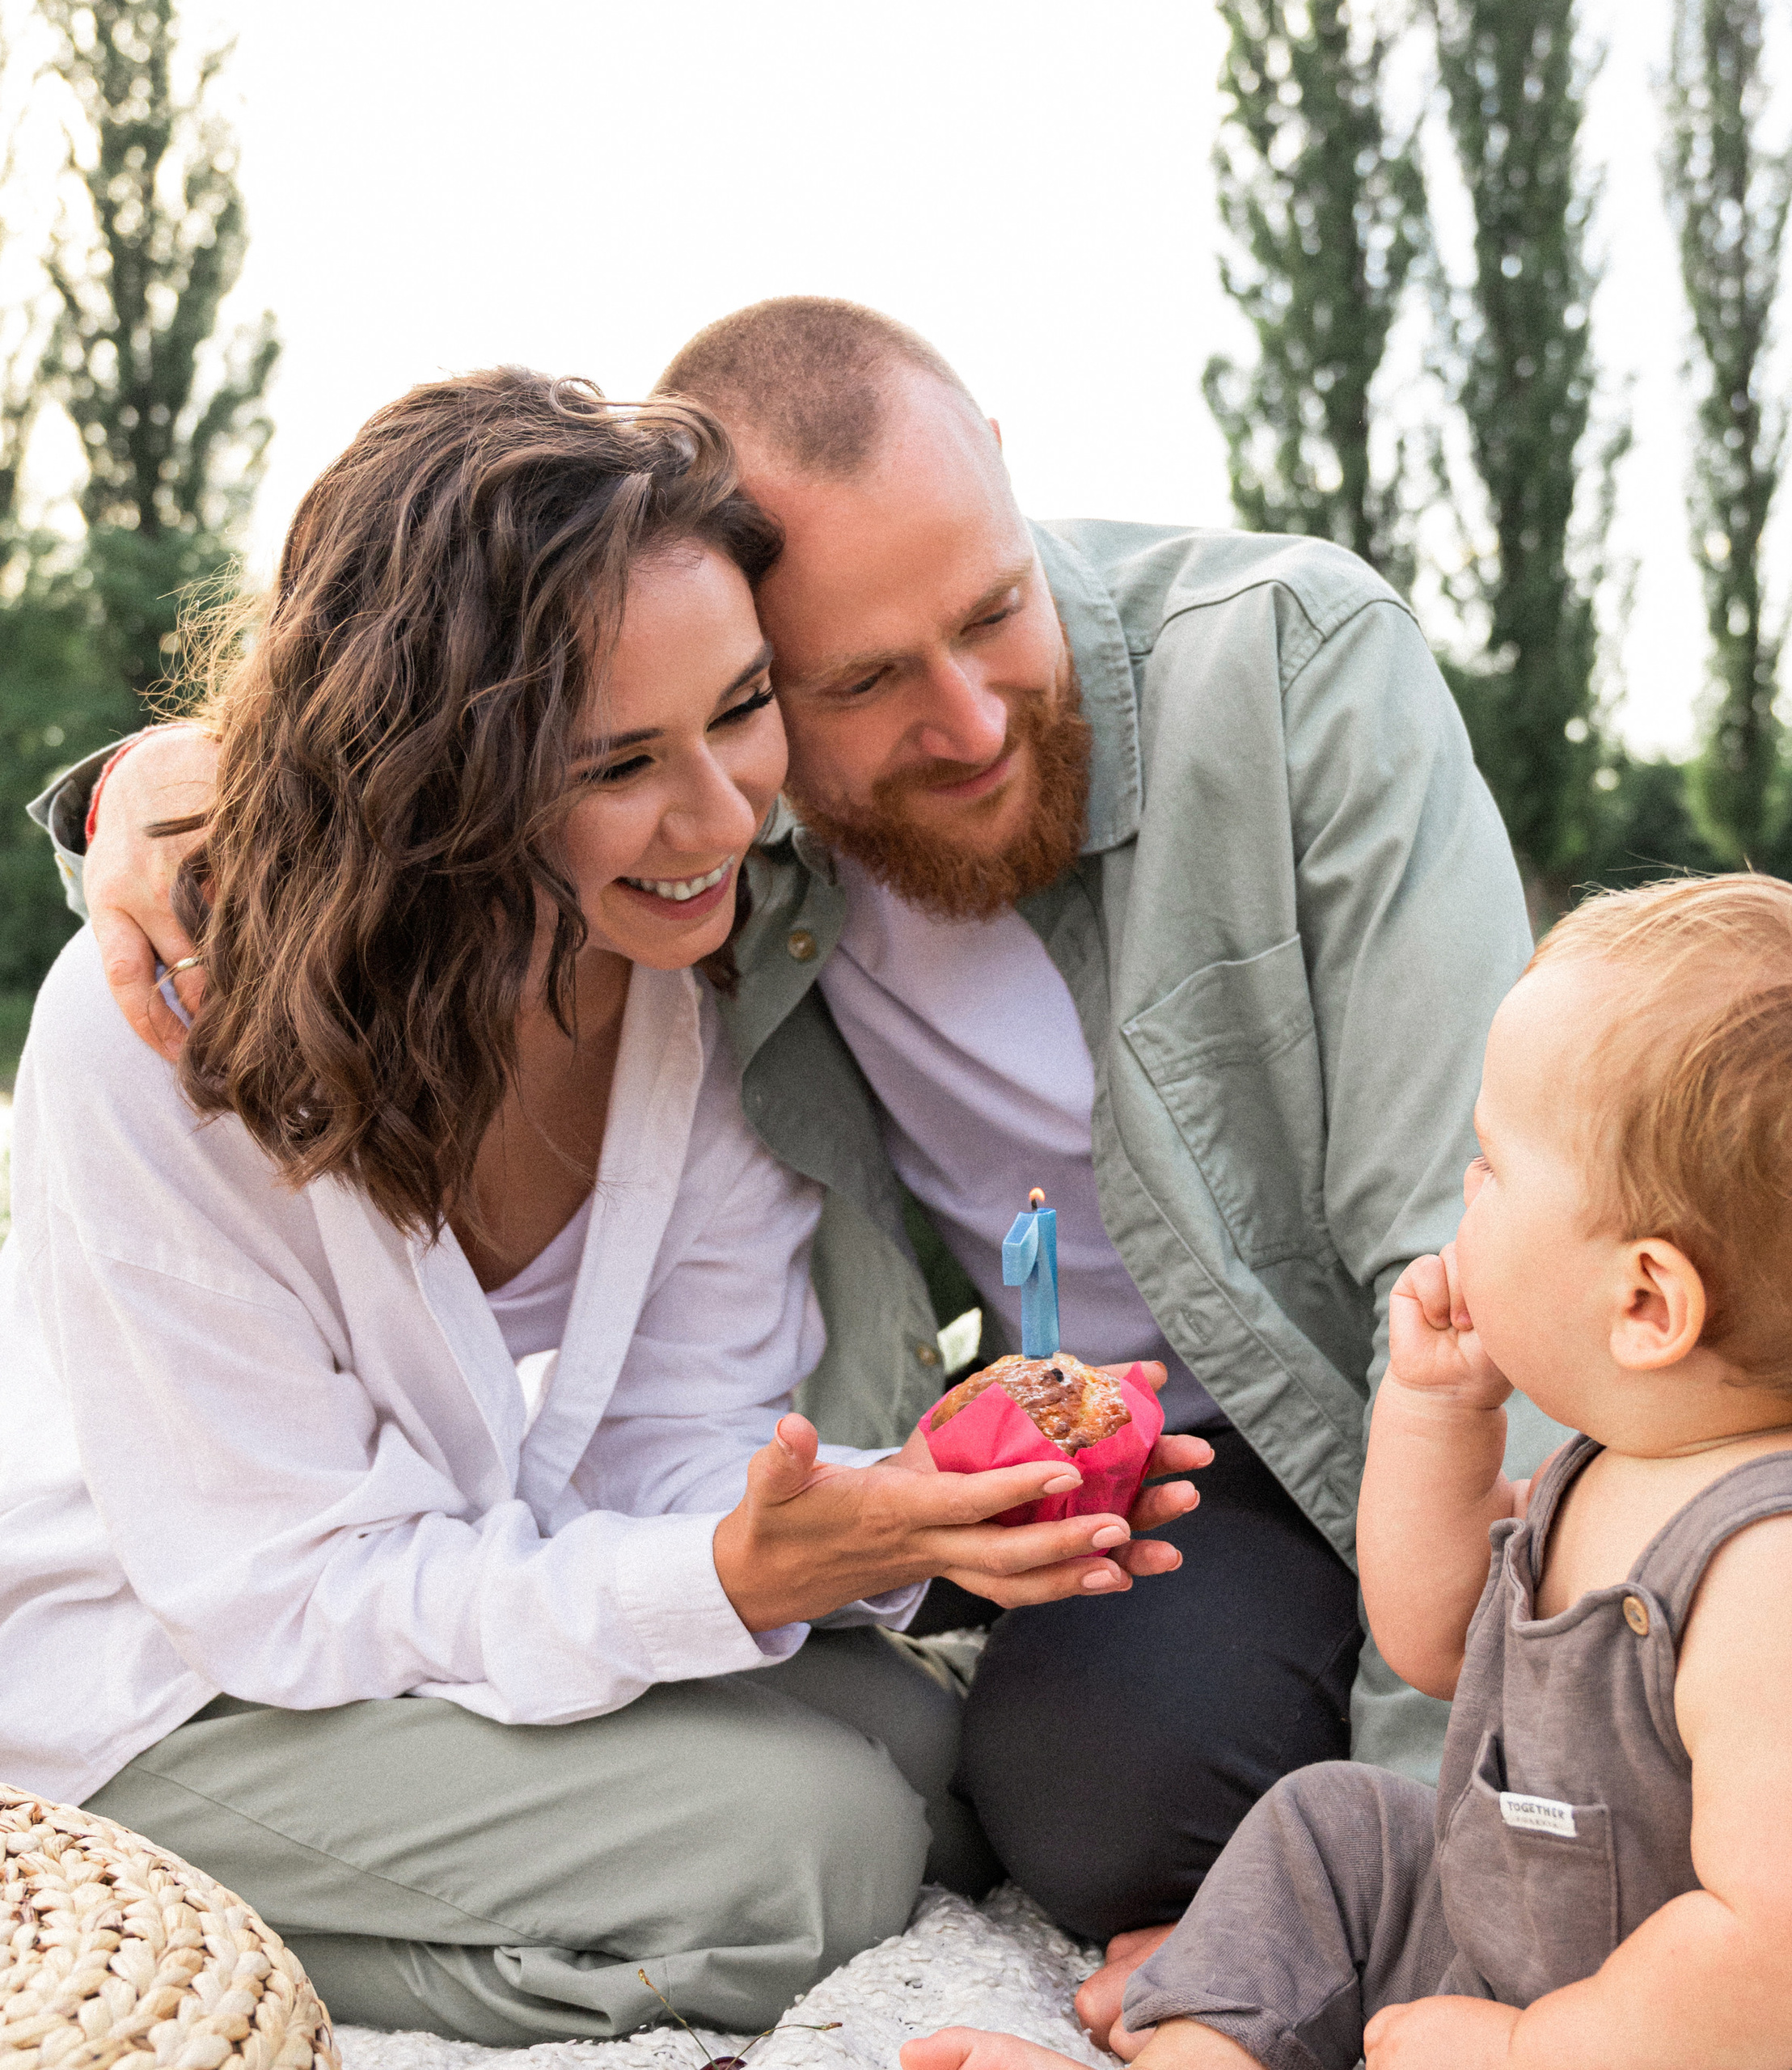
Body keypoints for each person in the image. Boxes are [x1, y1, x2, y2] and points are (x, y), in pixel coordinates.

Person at [53, 298, 1562, 1986]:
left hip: (1367, 1437)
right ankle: (148, 1928)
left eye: (995, 611)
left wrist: (1449, 1857)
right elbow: (435, 701)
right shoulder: (697, 883)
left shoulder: (1271, 672)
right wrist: (157, 785)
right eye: (853, 681)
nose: (973, 720)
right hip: (177, 1643)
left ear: (999, 462)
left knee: (945, 1780)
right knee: (953, 1828)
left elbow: (1464, 1271)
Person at [0, 367, 1207, 2047]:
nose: (722, 816)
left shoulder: (674, 985)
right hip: (163, 1663)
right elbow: (287, 1589)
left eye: (737, 709)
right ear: (444, 771)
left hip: (398, 1582)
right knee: (814, 1847)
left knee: (925, 1752)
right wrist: (712, 1574)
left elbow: (663, 1442)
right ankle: (212, 1930)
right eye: (619, 761)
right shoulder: (153, 1032)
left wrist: (881, 1510)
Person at [905, 874, 1792, 2070]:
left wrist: (1534, 2050)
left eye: (1495, 1165)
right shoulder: (1627, 1457)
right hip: (1605, 1968)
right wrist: (1437, 1413)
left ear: (1645, 1301)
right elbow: (1435, 1638)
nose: (1463, 1193)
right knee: (1334, 1829)